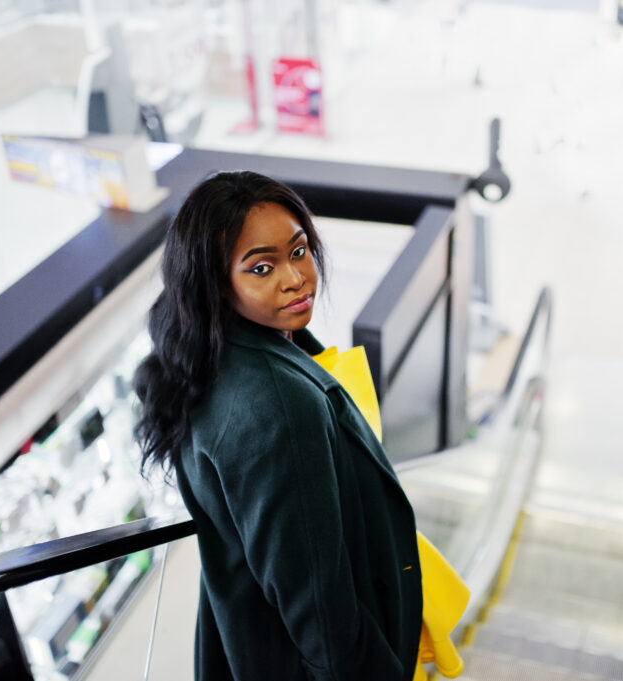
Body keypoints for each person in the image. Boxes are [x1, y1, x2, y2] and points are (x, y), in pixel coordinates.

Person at [132, 171, 422, 680]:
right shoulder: (277, 409)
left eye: (299, 251)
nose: (294, 278)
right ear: (217, 285)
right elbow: (321, 616)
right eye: (261, 268)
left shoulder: (210, 351)